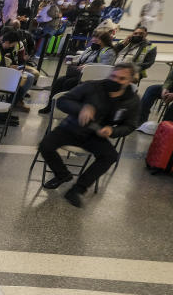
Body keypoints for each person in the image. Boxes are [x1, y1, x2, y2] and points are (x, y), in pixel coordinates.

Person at [39, 63, 139, 207]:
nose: (116, 80)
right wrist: (82, 108)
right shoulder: (92, 86)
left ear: (130, 81)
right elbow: (63, 101)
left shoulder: (132, 100)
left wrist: (112, 131)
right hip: (72, 127)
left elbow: (130, 125)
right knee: (45, 145)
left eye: (122, 79)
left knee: (110, 156)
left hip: (96, 135)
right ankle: (62, 175)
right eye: (113, 76)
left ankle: (78, 189)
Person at [40, 29, 117, 111]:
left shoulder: (108, 52)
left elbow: (105, 67)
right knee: (59, 81)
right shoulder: (91, 48)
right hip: (80, 73)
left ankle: (66, 108)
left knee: (68, 83)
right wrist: (72, 61)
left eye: (96, 39)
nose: (93, 40)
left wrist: (87, 65)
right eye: (94, 38)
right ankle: (50, 106)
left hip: (92, 77)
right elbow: (81, 59)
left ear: (103, 41)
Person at [139, 53, 173, 125]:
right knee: (151, 90)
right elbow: (170, 78)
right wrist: (165, 88)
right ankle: (140, 122)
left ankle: (167, 126)